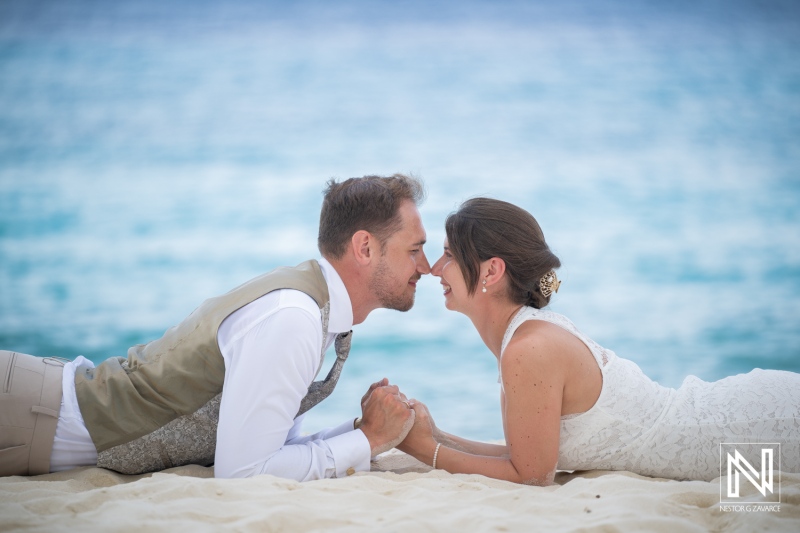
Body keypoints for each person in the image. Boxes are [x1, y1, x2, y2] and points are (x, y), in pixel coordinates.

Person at [1, 174, 430, 481]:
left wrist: (358, 432)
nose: (425, 267)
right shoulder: (294, 318)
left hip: (35, 411)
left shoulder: (309, 307)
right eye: (414, 250)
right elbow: (243, 474)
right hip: (27, 414)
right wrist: (369, 442)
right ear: (365, 247)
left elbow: (273, 447)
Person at [397, 197, 800, 484]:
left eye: (449, 255)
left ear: (491, 271)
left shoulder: (528, 349)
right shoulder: (524, 335)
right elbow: (523, 453)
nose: (434, 268)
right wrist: (438, 435)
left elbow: (531, 475)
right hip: (729, 424)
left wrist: (424, 451)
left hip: (750, 430)